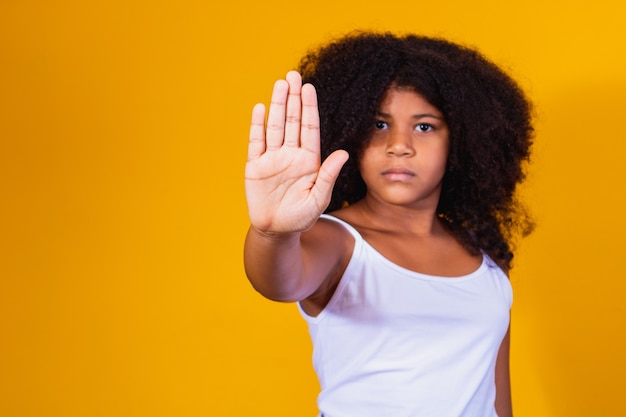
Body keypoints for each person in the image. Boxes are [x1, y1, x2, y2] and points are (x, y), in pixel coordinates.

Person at [244, 31, 534, 417]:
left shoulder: (482, 258)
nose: (399, 145)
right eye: (379, 125)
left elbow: (498, 403)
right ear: (351, 133)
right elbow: (279, 282)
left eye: (424, 126)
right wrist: (272, 232)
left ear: (462, 141)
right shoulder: (338, 240)